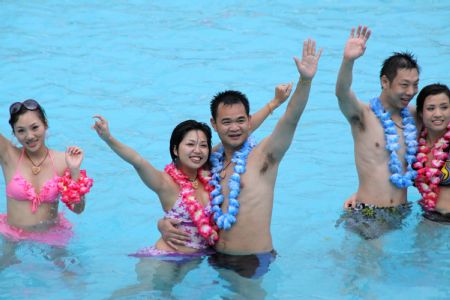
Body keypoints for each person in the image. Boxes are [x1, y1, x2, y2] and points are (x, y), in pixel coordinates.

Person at [158, 38, 322, 278]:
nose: (234, 127)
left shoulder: (265, 156)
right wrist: (162, 223)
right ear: (214, 125)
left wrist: (305, 80)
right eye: (226, 122)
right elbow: (179, 195)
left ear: (248, 121)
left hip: (251, 261)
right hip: (211, 257)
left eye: (241, 120)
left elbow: (291, 118)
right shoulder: (209, 160)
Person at [334, 25, 420, 239]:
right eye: (404, 85)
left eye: (415, 85)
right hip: (368, 212)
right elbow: (342, 93)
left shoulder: (417, 118)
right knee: (369, 269)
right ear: (385, 82)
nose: (410, 92)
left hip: (403, 211)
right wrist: (348, 60)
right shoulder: (363, 116)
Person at [0, 99, 93, 248]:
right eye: (21, 130)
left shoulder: (63, 161)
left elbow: (78, 209)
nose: (29, 136)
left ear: (45, 125)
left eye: (35, 127)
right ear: (14, 134)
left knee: (69, 271)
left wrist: (75, 172)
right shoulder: (8, 155)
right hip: (13, 234)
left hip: (51, 235)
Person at [413, 83, 450, 223]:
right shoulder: (414, 146)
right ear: (421, 113)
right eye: (431, 108)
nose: (438, 114)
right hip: (427, 217)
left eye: (444, 107)